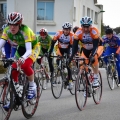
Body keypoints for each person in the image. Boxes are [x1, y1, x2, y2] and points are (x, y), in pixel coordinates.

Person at [0, 12, 40, 110]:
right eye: (10, 24)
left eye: (15, 25)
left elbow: (29, 51)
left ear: (20, 24)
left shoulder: (25, 30)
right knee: (13, 69)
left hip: (33, 47)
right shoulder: (6, 30)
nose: (12, 27)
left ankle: (32, 85)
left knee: (25, 65)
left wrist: (22, 59)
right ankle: (16, 94)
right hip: (21, 48)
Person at [69, 16, 103, 88]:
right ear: (81, 26)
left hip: (97, 48)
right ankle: (87, 86)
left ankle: (96, 79)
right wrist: (72, 56)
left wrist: (92, 55)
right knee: (81, 65)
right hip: (85, 49)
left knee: (94, 57)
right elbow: (74, 46)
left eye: (87, 27)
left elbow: (95, 47)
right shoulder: (78, 32)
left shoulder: (94, 31)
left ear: (91, 26)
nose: (86, 29)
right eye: (84, 27)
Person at [49, 22, 74, 90]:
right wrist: (50, 52)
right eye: (65, 29)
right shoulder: (59, 33)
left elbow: (72, 47)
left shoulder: (72, 35)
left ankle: (70, 81)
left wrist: (70, 56)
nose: (66, 31)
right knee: (58, 62)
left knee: (68, 64)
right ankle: (62, 72)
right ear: (63, 29)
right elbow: (53, 43)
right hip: (60, 49)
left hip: (68, 49)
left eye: (68, 29)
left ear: (70, 30)